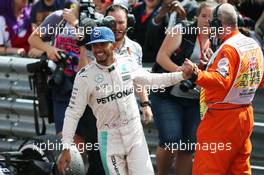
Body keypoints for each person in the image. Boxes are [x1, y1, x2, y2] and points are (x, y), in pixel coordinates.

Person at [57, 26, 194, 175]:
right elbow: (72, 113)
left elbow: (152, 80)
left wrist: (181, 76)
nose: (98, 49)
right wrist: (67, 147)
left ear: (114, 45)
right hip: (109, 138)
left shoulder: (127, 62)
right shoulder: (84, 77)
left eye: (102, 44)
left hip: (134, 133)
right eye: (94, 45)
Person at [182, 3, 264, 174]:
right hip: (244, 115)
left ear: (219, 24)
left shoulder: (228, 48)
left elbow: (221, 80)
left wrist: (196, 74)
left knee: (208, 169)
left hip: (222, 119)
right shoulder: (252, 43)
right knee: (239, 169)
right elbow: (259, 81)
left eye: (212, 23)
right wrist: (214, 63)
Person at [28, 4, 106, 175]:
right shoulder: (58, 17)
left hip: (87, 89)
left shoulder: (98, 21)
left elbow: (89, 60)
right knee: (67, 143)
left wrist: (77, 24)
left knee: (85, 146)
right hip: (62, 86)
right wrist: (49, 49)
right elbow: (33, 39)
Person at [150, 2, 213, 175]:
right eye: (204, 16)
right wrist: (182, 73)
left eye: (212, 17)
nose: (208, 20)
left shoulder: (219, 39)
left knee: (188, 147)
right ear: (197, 17)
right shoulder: (182, 29)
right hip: (167, 95)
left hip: (196, 100)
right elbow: (161, 57)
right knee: (171, 141)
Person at [105, 4, 153, 122]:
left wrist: (145, 104)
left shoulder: (135, 48)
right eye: (112, 23)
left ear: (128, 23)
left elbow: (138, 79)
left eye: (121, 22)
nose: (116, 27)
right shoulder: (94, 45)